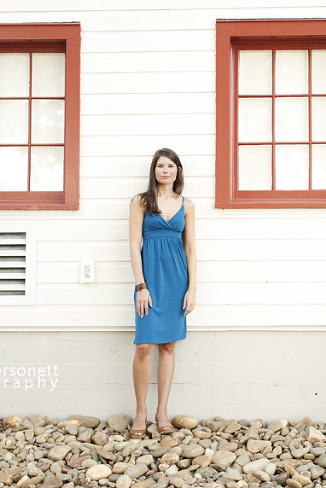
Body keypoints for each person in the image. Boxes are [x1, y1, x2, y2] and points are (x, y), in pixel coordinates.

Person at [128, 148, 196, 438]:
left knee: (169, 346)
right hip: (150, 280)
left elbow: (191, 248)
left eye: (170, 165)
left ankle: (162, 411)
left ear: (178, 170)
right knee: (144, 346)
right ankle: (141, 411)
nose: (165, 170)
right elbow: (134, 245)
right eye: (160, 166)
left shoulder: (187, 205)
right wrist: (140, 286)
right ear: (153, 171)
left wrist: (192, 287)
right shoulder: (141, 201)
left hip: (177, 280)